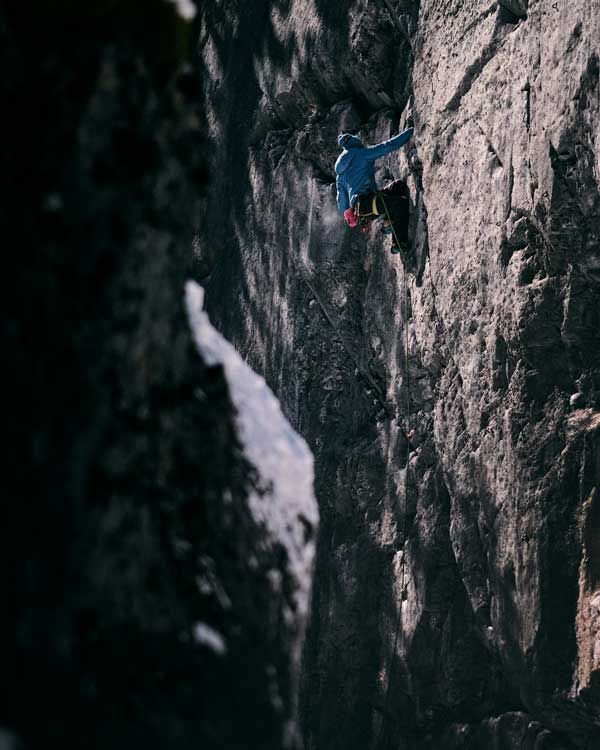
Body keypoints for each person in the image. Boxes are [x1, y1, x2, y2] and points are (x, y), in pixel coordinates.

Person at [335, 128, 413, 255]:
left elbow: (341, 199)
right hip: (368, 203)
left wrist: (348, 215)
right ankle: (398, 243)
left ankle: (388, 222)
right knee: (400, 204)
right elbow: (388, 146)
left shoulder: (340, 174)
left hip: (363, 208)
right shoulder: (362, 153)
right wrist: (409, 132)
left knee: (398, 186)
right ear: (355, 141)